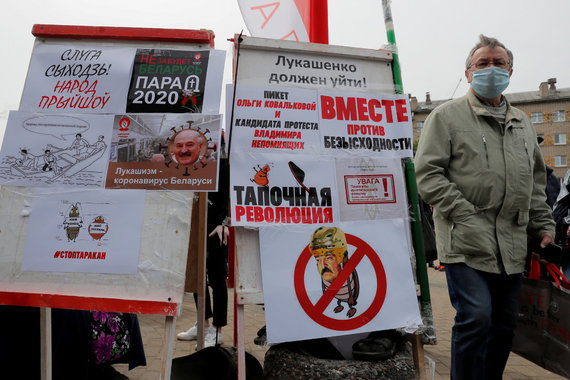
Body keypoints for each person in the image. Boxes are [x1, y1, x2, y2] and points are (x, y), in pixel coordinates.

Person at [414, 34, 555, 380]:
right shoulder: (445, 117)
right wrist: (462, 213)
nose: (491, 69)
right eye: (482, 63)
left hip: (511, 243)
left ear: (510, 70)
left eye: (498, 63)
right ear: (467, 73)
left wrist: (545, 226)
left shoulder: (523, 123)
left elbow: (535, 183)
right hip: (465, 240)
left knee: (504, 327)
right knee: (476, 316)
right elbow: (426, 174)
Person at [178, 145, 229, 347]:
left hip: (216, 225)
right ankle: (203, 323)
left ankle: (217, 329)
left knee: (216, 277)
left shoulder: (221, 153)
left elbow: (228, 188)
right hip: (194, 221)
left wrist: (224, 222)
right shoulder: (187, 156)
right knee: (195, 273)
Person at [309, 226, 359, 318]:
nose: (323, 265)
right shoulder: (324, 275)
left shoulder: (348, 272)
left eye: (329, 258)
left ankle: (350, 306)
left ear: (341, 257)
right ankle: (340, 304)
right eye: (318, 259)